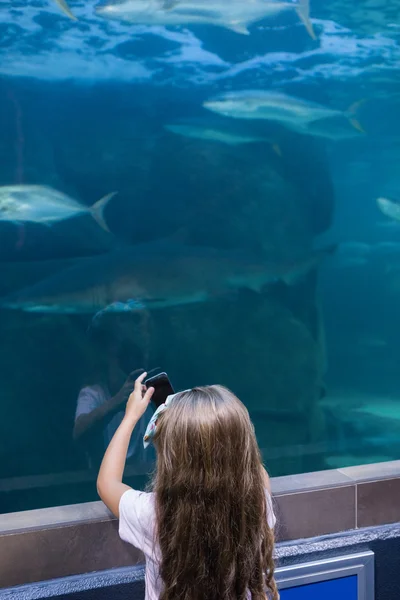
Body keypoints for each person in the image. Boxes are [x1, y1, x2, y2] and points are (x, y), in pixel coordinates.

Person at [97, 372, 278, 600]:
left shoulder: (155, 514)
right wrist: (213, 432)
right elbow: (253, 468)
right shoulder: (255, 504)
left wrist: (130, 417)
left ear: (173, 456)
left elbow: (107, 483)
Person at [73, 334, 154, 471]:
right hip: (105, 478)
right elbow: (79, 433)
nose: (128, 369)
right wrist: (116, 402)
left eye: (135, 361)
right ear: (110, 362)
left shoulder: (149, 392)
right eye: (124, 361)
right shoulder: (93, 393)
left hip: (143, 477)